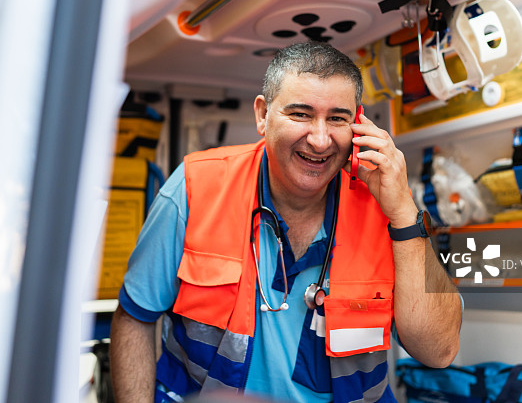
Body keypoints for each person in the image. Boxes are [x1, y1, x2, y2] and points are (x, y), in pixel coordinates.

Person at [110, 42, 462, 403]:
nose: (321, 139)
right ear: (263, 115)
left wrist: (404, 213)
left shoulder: (386, 208)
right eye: (301, 114)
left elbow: (439, 351)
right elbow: (135, 317)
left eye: (337, 118)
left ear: (357, 124)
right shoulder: (195, 186)